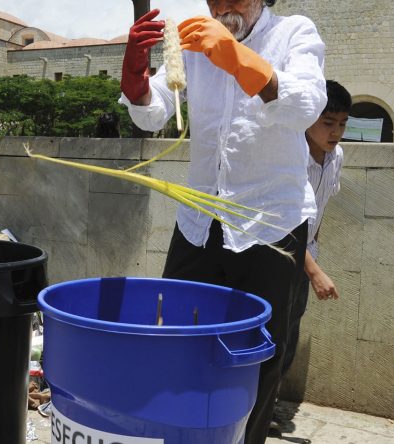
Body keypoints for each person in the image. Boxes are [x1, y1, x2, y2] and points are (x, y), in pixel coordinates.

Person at [118, 1, 327, 443]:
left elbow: (305, 106)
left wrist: (237, 58)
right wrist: (135, 73)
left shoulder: (295, 33)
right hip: (200, 216)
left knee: (260, 352)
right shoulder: (196, 41)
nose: (224, 5)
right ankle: (180, 432)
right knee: (175, 331)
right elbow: (153, 111)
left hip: (270, 220)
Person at [282, 79, 350, 381]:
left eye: (342, 124)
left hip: (305, 256)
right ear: (309, 119)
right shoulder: (290, 157)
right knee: (274, 327)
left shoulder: (337, 157)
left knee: (291, 327)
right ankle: (259, 407)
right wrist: (314, 271)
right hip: (279, 254)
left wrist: (312, 257)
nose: (335, 132)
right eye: (328, 123)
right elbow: (285, 222)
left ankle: (271, 400)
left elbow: (318, 211)